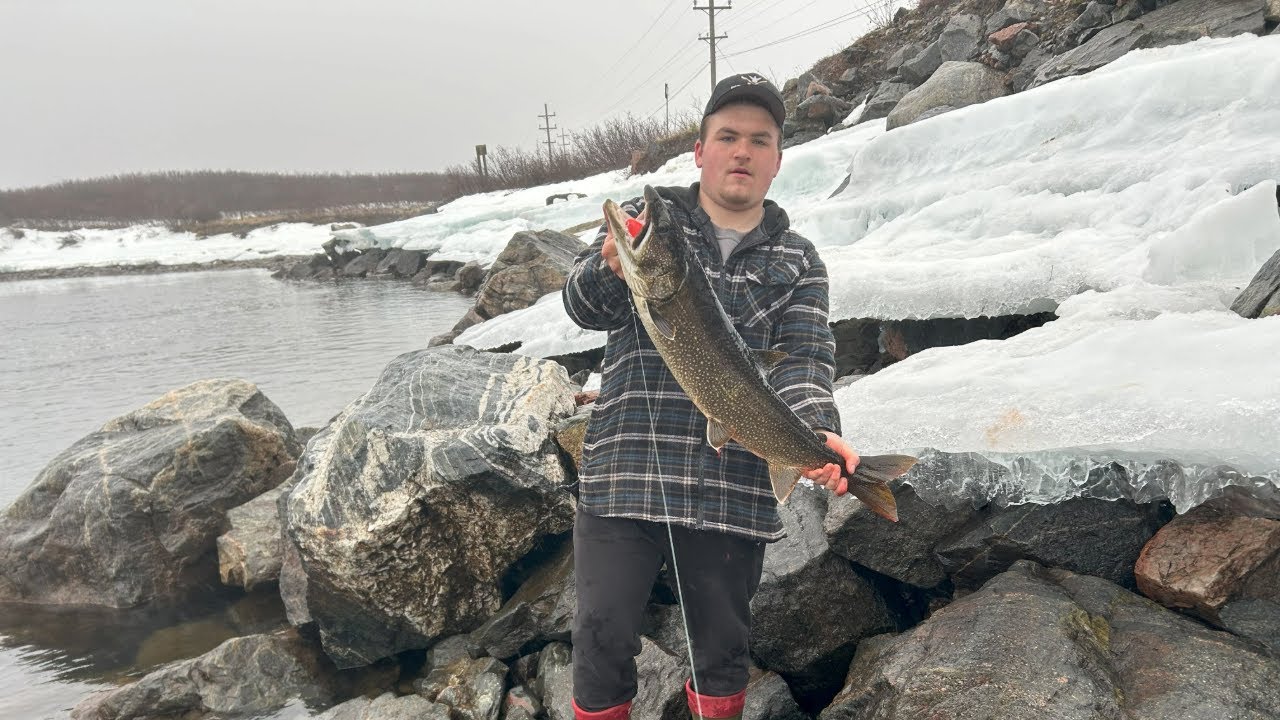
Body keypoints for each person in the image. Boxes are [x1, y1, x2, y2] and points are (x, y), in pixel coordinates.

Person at [561, 72, 859, 720]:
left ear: (778, 159)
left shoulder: (798, 261)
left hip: (731, 491)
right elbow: (582, 304)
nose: (742, 151)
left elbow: (805, 360)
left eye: (760, 139)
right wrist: (608, 266)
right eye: (727, 136)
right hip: (625, 472)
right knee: (599, 638)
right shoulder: (650, 223)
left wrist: (815, 432)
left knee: (722, 650)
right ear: (700, 151)